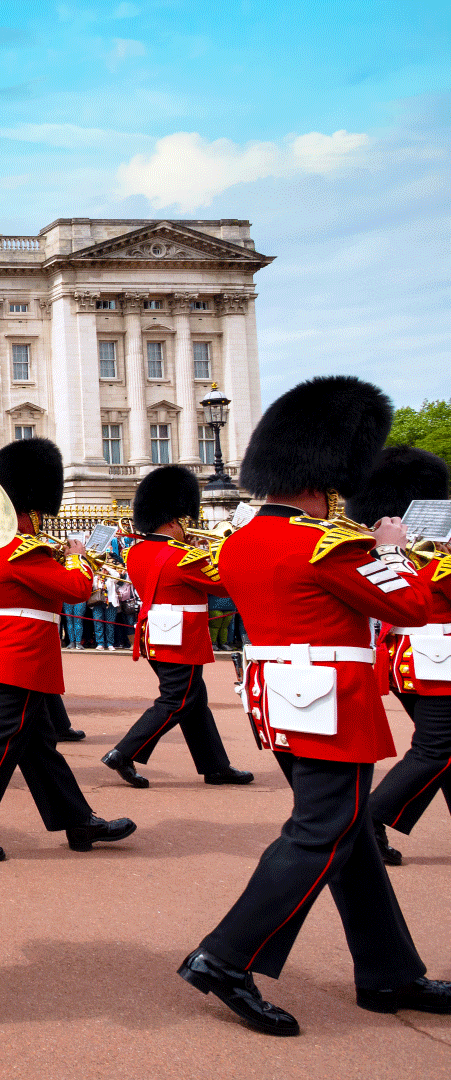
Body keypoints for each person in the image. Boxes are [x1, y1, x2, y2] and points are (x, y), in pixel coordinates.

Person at [179, 375, 451, 1037]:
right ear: (326, 473)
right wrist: (396, 551)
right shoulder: (328, 544)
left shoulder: (242, 540)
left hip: (283, 700)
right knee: (319, 832)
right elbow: (412, 606)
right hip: (330, 703)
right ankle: (225, 955)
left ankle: (389, 970)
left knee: (350, 836)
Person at [0, 438, 134, 863]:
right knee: (0, 744)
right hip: (20, 657)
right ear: (33, 505)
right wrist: (82, 556)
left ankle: (78, 821)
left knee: (39, 746)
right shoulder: (25, 549)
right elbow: (76, 589)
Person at [101, 465, 253, 789]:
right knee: (177, 701)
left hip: (155, 634)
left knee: (194, 701)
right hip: (182, 638)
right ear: (172, 521)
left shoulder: (136, 552)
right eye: (182, 522)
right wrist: (232, 548)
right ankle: (124, 753)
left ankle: (216, 765)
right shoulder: (184, 557)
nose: (185, 527)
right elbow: (225, 585)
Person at [353, 447, 451, 866]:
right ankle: (368, 822)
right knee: (436, 749)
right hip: (433, 661)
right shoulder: (425, 559)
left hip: (419, 658)